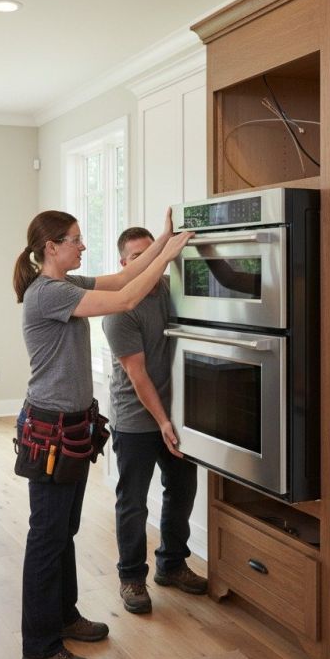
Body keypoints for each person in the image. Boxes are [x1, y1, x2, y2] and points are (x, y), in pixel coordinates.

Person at [12, 209, 191, 659]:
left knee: (63, 530)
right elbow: (130, 294)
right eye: (74, 240)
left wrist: (163, 239)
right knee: (47, 538)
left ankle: (64, 616)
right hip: (50, 431)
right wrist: (169, 255)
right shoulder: (48, 294)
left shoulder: (67, 283)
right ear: (51, 247)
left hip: (70, 428)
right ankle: (39, 644)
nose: (82, 246)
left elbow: (124, 275)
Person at [102, 226, 207, 615]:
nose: (145, 261)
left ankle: (172, 564)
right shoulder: (118, 309)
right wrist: (163, 421)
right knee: (132, 503)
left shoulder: (170, 288)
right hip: (136, 419)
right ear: (124, 264)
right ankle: (131, 578)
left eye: (152, 253)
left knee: (181, 491)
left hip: (179, 414)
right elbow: (138, 374)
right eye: (135, 257)